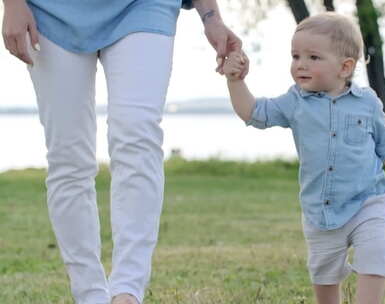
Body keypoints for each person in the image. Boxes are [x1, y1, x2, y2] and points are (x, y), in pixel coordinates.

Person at [2, 0, 247, 303]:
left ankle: (127, 291)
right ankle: (90, 295)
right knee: (68, 156)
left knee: (138, 133)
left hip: (144, 5)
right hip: (51, 11)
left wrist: (211, 16)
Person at [223, 12, 385, 304]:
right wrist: (235, 81)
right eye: (296, 56)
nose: (300, 64)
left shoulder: (367, 103)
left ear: (345, 67)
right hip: (321, 210)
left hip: (368, 201)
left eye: (313, 57)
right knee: (324, 274)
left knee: (375, 254)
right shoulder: (295, 102)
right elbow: (253, 113)